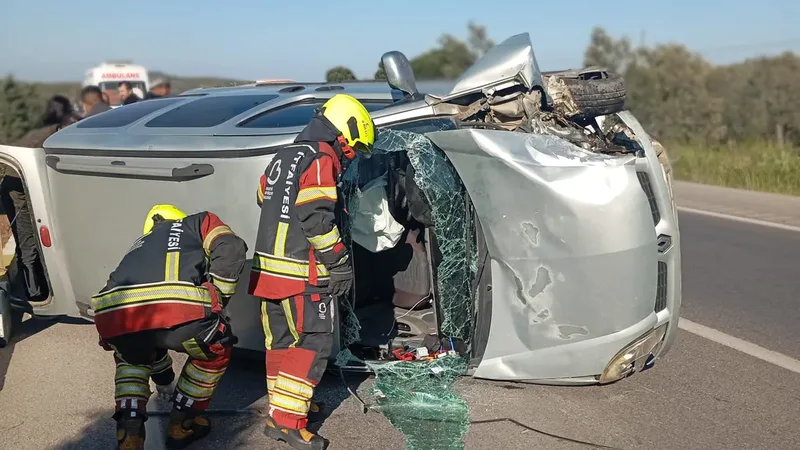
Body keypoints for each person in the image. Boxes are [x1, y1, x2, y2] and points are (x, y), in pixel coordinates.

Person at [250, 94, 375, 450]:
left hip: (267, 273)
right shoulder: (322, 158)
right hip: (301, 275)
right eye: (353, 150)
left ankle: (283, 409)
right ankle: (290, 423)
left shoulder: (284, 156)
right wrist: (338, 262)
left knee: (281, 344)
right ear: (345, 132)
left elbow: (263, 196)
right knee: (313, 343)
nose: (349, 159)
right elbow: (316, 218)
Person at [91, 205, 247, 450]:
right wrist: (217, 300)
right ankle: (182, 426)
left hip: (113, 316)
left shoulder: (139, 244)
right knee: (214, 351)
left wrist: (165, 381)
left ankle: (129, 437)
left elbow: (153, 345)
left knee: (132, 360)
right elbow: (232, 247)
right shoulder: (199, 223)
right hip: (177, 310)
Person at [0, 95, 78, 305]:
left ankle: (35, 289)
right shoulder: (46, 137)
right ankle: (34, 295)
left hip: (21, 189)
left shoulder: (46, 132)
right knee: (29, 243)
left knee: (32, 243)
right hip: (18, 192)